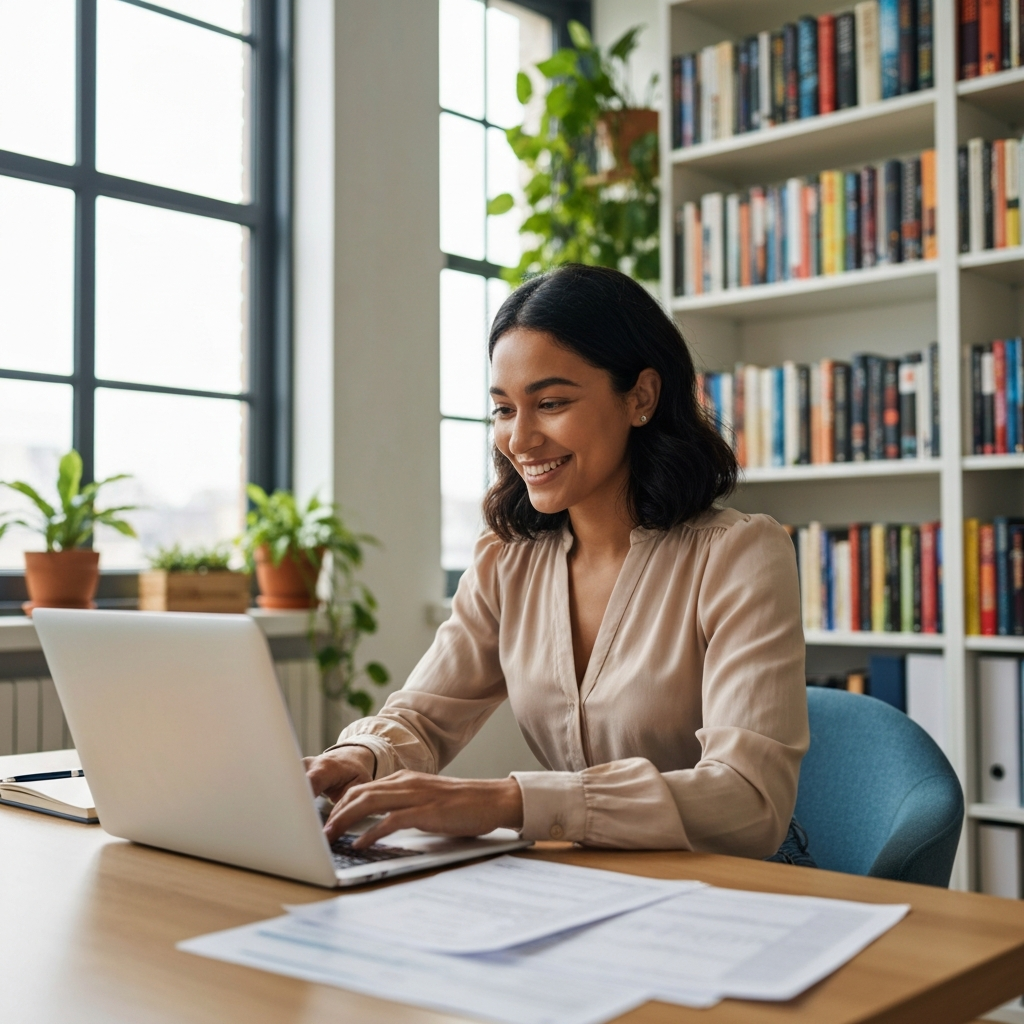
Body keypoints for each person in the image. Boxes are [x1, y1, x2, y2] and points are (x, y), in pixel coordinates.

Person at [305, 264, 809, 859]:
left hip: (727, 888)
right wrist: (356, 757)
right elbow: (423, 717)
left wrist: (512, 802)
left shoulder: (740, 556)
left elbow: (747, 801)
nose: (519, 440)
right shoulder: (507, 563)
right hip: (580, 881)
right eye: (503, 409)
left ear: (641, 397)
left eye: (549, 402)